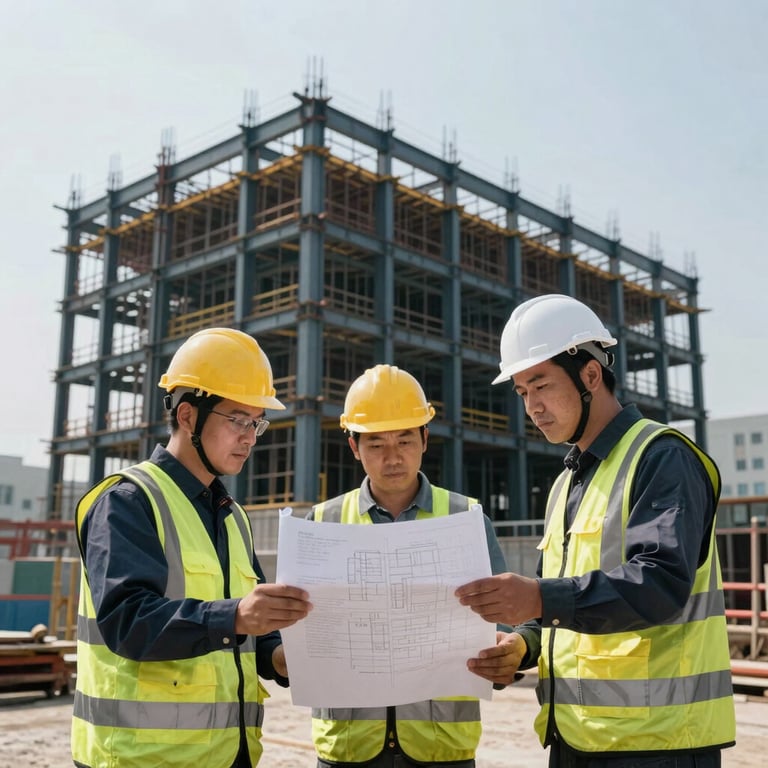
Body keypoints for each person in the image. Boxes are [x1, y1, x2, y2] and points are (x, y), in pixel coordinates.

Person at [456, 294, 736, 767]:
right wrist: (521, 645)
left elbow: (661, 583)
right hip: (576, 739)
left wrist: (539, 598)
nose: (533, 407)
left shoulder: (662, 457)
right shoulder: (567, 482)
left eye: (541, 385)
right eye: (523, 392)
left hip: (658, 744)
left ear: (590, 374)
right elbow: (558, 609)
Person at [71, 328, 313, 768]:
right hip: (141, 758)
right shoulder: (127, 502)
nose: (250, 437)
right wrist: (236, 615)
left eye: (257, 422)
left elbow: (249, 631)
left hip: (228, 756)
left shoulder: (233, 517)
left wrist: (279, 657)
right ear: (188, 416)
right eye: (238, 420)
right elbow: (127, 621)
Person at [307, 363, 514, 768]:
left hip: (441, 749)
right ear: (354, 447)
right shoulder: (322, 524)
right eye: (376, 444)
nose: (392, 458)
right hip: (347, 748)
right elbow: (298, 633)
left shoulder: (465, 518)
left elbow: (504, 620)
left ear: (425, 438)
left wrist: (506, 650)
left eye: (404, 440)